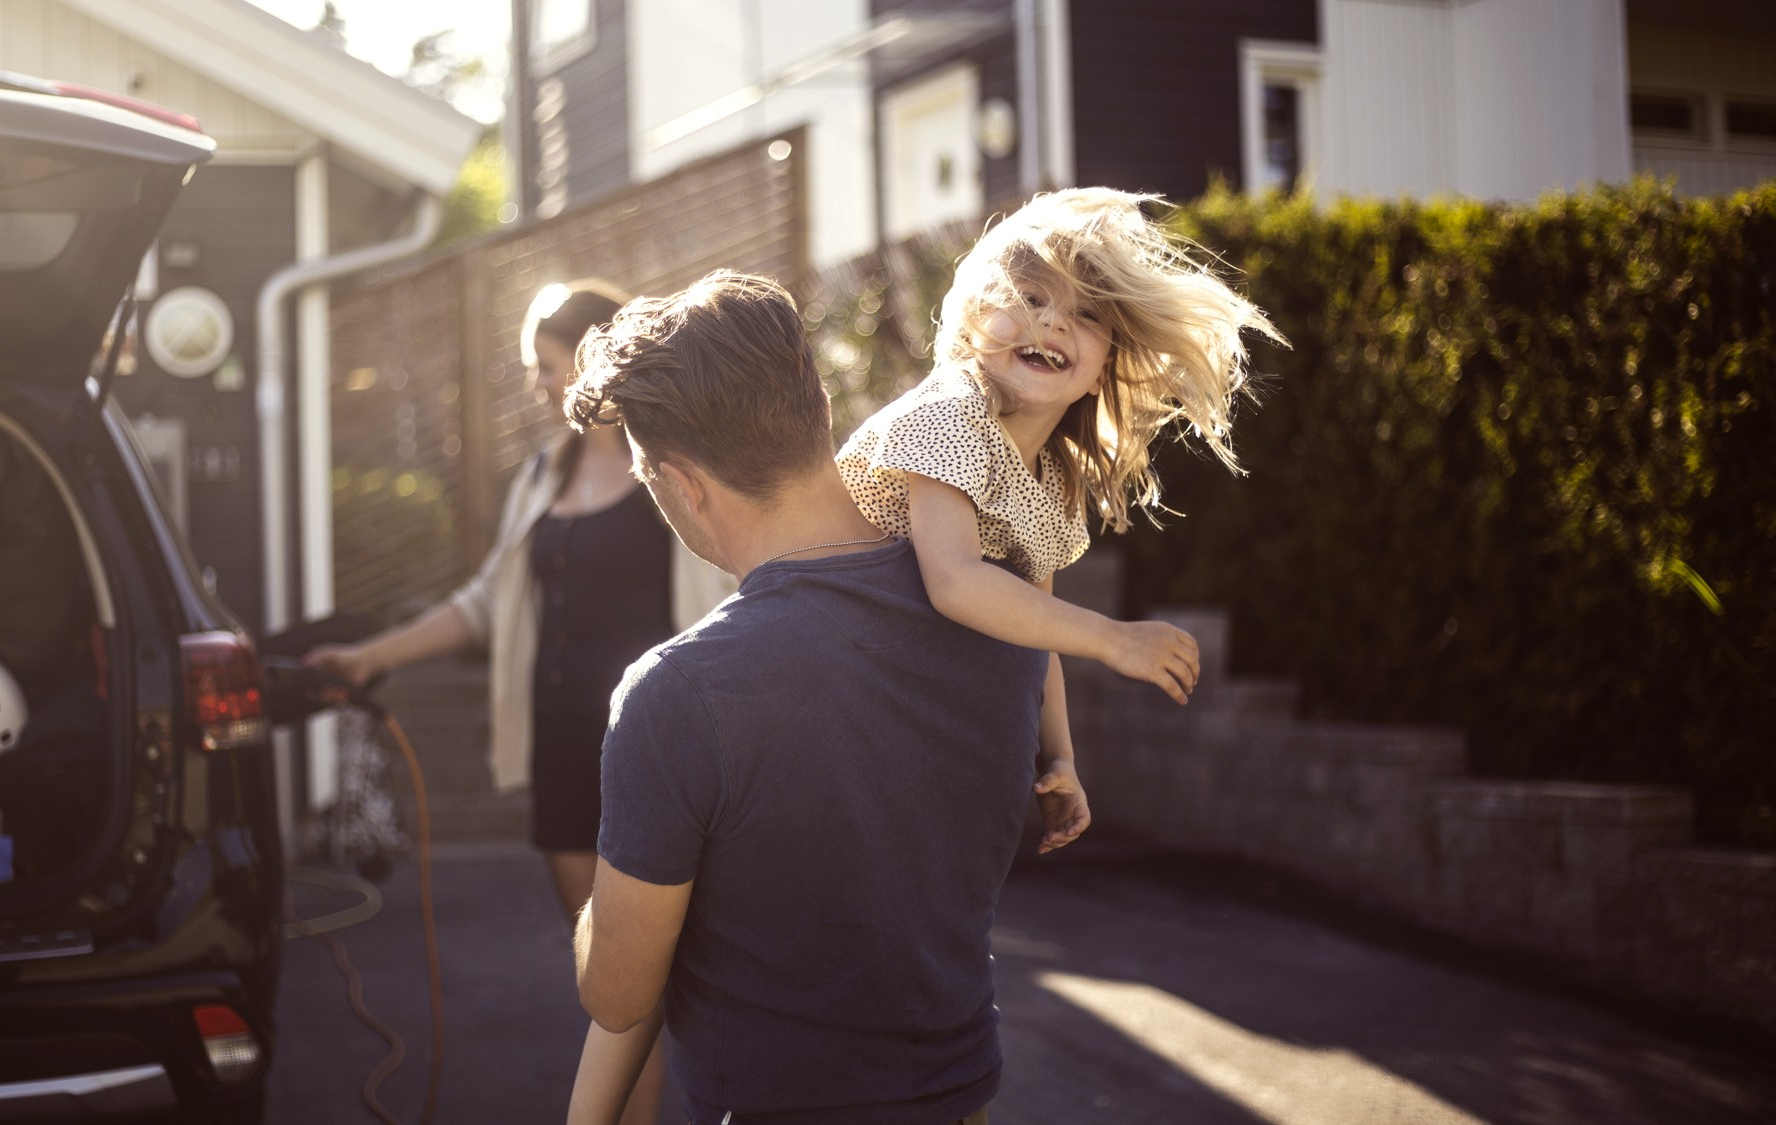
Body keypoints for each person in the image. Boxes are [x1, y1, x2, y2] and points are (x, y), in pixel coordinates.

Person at [565, 271, 1070, 1125]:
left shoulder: (679, 693)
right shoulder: (1007, 613)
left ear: (683, 484)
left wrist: (623, 890)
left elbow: (615, 992)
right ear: (820, 413)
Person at [308, 280, 729, 1125]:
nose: (537, 383)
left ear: (596, 355)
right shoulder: (542, 473)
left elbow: (737, 587)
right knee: (612, 984)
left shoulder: (679, 462)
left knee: (686, 972)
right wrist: (370, 656)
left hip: (666, 751)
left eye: (545, 364)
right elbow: (485, 603)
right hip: (566, 754)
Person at [836, 187, 1282, 842]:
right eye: (1030, 297)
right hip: (822, 665)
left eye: (1085, 314)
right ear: (975, 323)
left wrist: (1062, 760)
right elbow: (955, 581)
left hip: (897, 708)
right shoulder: (948, 411)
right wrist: (1114, 639)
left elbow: (1035, 631)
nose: (1051, 322)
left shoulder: (1050, 484)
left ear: (1102, 372)